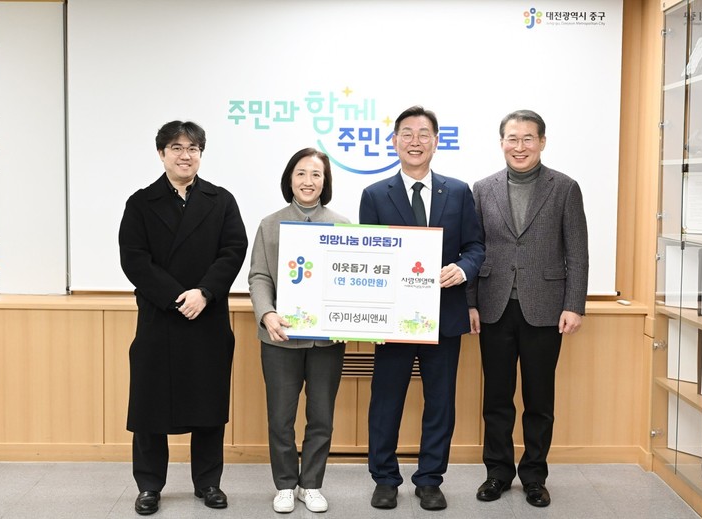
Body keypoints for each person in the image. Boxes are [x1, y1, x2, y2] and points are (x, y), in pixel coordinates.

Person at [118, 120, 248, 515]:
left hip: (207, 318)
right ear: (162, 154)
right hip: (159, 318)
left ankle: (208, 483)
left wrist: (204, 292)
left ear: (201, 154)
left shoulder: (221, 200)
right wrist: (177, 297)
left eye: (192, 148)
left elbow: (233, 250)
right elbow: (134, 260)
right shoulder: (141, 203)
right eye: (176, 148)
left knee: (208, 406)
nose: (185, 155)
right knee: (149, 408)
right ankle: (149, 486)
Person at [359, 106, 485, 511]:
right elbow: (368, 256)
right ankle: (384, 479)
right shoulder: (375, 194)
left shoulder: (458, 191)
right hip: (393, 318)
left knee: (440, 403)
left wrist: (462, 270)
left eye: (424, 134)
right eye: (407, 134)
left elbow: (476, 246)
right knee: (386, 401)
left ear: (436, 141)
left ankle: (430, 480)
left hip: (444, 315)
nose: (415, 141)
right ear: (394, 141)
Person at [467, 109, 589, 508]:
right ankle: (497, 473)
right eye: (512, 139)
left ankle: (535, 476)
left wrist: (574, 305)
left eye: (527, 139)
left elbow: (577, 251)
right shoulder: (482, 189)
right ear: (501, 142)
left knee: (539, 400)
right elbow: (473, 249)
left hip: (546, 309)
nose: (519, 147)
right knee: (497, 399)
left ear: (542, 142)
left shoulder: (564, 187)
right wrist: (470, 303)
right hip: (495, 306)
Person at [248, 148, 350, 514]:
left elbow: (350, 282)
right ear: (290, 179)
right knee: (281, 417)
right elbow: (259, 276)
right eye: (301, 173)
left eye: (316, 175)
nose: (309, 181)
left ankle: (311, 484)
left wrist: (350, 318)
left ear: (326, 182)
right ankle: (285, 485)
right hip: (280, 338)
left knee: (321, 416)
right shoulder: (270, 224)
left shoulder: (343, 226)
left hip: (326, 341)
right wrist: (267, 314)